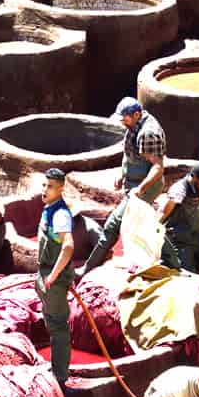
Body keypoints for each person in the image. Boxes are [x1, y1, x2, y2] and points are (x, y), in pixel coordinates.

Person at [77, 97, 179, 277]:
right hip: (133, 184)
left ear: (137, 114)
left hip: (146, 187)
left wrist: (140, 190)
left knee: (113, 224)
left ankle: (88, 267)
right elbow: (128, 154)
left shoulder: (149, 133)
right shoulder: (133, 126)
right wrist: (122, 174)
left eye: (125, 118)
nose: (122, 122)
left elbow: (157, 167)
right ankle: (174, 261)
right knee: (145, 224)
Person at [36, 168, 75, 387]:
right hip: (46, 275)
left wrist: (53, 276)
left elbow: (68, 246)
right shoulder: (48, 209)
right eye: (44, 184)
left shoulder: (60, 214)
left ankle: (60, 377)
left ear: (60, 189)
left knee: (58, 327)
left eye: (50, 186)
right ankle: (56, 367)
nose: (45, 190)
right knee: (51, 323)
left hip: (54, 279)